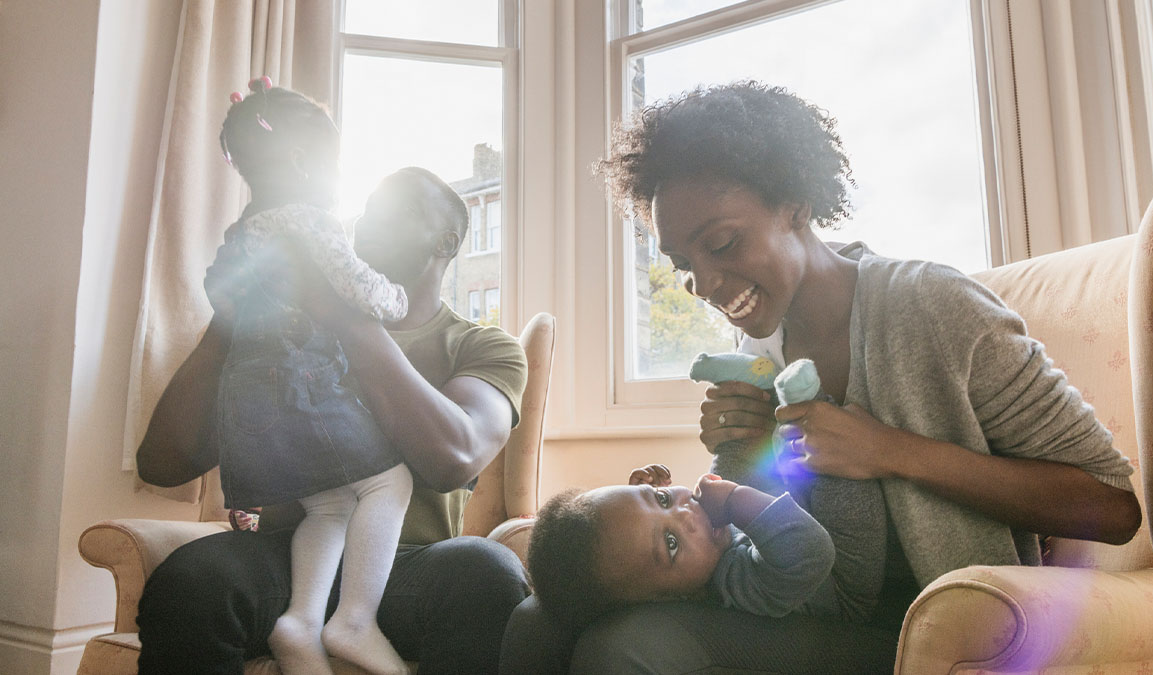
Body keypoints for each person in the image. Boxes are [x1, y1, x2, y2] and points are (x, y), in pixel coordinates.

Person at [501, 80, 1141, 674]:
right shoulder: (756, 342)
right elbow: (776, 525)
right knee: (537, 622)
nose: (702, 284)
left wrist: (891, 453)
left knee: (628, 647)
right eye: (682, 263)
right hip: (814, 602)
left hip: (932, 616)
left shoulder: (934, 307)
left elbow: (1112, 507)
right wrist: (746, 451)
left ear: (795, 204)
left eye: (721, 244)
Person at [136, 162, 529, 674]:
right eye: (366, 209)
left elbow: (453, 458)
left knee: (487, 573)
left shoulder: (482, 346)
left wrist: (338, 311)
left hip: (409, 565)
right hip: (291, 557)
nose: (367, 222)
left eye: (396, 211)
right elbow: (163, 464)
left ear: (446, 242)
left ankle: (353, 624)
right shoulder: (276, 335)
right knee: (192, 580)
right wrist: (231, 322)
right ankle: (302, 626)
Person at [212, 76, 416, 675]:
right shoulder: (307, 220)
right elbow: (355, 286)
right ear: (303, 163)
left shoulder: (240, 234)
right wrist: (397, 298)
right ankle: (354, 618)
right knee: (389, 482)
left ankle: (299, 622)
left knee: (328, 506)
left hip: (246, 406)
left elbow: (217, 297)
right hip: (297, 387)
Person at [528, 461, 888, 629]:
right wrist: (733, 499)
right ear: (673, 600)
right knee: (839, 466)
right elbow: (810, 553)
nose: (685, 514)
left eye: (662, 498)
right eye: (671, 543)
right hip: (846, 585)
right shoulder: (732, 583)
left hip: (816, 534)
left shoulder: (705, 551)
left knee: (770, 457)